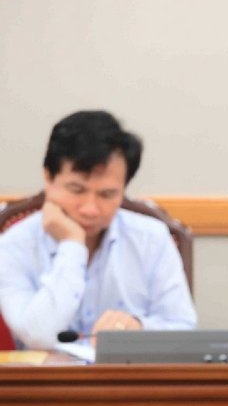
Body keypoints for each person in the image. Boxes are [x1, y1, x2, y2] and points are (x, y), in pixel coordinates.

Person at [0, 110, 197, 350]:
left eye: (107, 194)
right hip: (44, 385)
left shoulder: (151, 238)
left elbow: (184, 328)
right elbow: (39, 336)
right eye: (77, 190)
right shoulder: (13, 244)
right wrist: (72, 245)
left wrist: (138, 327)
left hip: (128, 382)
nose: (91, 209)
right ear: (48, 178)